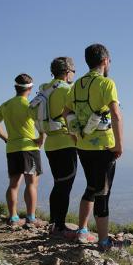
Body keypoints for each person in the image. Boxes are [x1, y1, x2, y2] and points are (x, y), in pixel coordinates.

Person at [62, 43, 126, 250]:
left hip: (82, 146)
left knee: (91, 186)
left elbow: (66, 112)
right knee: (103, 193)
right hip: (104, 147)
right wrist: (119, 144)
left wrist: (74, 135)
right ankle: (104, 241)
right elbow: (116, 115)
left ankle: (82, 230)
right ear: (105, 61)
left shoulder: (77, 84)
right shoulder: (107, 84)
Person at [39, 57, 94, 241]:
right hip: (65, 142)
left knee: (58, 183)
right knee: (65, 185)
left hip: (50, 143)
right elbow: (73, 114)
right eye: (74, 71)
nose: (74, 74)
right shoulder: (66, 90)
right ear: (67, 71)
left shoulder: (46, 89)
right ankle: (59, 228)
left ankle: (55, 223)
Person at [0, 74, 46, 228]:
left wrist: (6, 138)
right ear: (30, 88)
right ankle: (31, 218)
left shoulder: (6, 105)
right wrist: (41, 138)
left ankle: (13, 218)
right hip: (29, 149)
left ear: (16, 87)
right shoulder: (29, 106)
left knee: (13, 184)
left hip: (12, 148)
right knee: (31, 184)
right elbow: (40, 123)